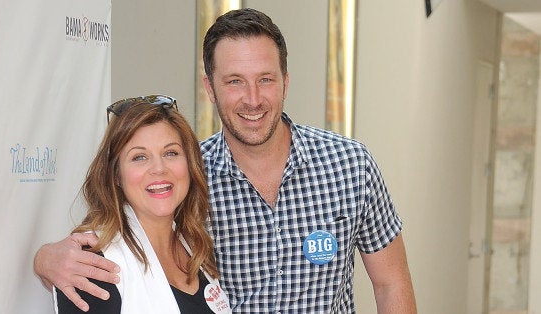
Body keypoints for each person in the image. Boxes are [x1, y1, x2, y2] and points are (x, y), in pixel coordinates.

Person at [35, 8, 417, 313]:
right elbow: (126, 237)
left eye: (265, 79)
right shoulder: (186, 177)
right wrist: (46, 258)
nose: (252, 99)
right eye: (235, 81)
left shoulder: (350, 165)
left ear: (286, 80)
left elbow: (392, 284)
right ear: (210, 88)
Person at [52, 95, 230, 313]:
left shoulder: (196, 247)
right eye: (139, 157)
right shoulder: (91, 264)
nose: (159, 168)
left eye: (171, 153)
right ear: (115, 175)